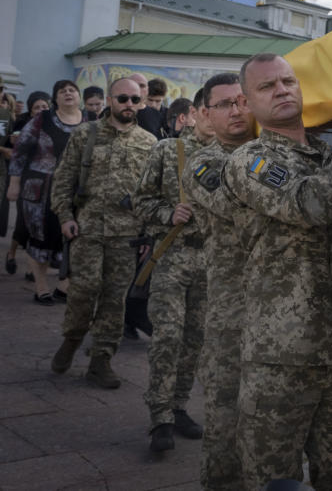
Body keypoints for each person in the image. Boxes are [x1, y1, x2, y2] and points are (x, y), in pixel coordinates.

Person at [219, 53, 332, 491]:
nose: (283, 90)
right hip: (280, 355)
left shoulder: (331, 157)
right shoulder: (248, 161)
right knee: (274, 480)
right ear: (248, 103)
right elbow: (311, 204)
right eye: (268, 87)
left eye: (288, 81)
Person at [48, 77, 158, 388]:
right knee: (83, 291)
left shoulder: (148, 142)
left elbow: (152, 193)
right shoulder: (86, 134)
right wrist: (66, 217)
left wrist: (147, 234)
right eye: (122, 99)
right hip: (88, 230)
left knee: (115, 299)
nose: (129, 105)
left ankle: (101, 360)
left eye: (135, 100)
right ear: (110, 100)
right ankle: (71, 340)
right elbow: (63, 179)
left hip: (127, 236)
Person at [182, 73, 256, 490]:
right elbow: (247, 197)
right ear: (206, 115)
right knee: (226, 421)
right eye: (225, 104)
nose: (237, 110)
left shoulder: (275, 154)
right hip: (231, 312)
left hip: (279, 313)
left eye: (243, 101)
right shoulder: (204, 164)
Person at [133, 92, 209, 451]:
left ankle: (179, 407)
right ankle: (160, 416)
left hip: (213, 265)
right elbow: (140, 200)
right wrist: (168, 214)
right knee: (167, 338)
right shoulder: (168, 151)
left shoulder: (237, 156)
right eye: (215, 108)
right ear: (195, 112)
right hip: (174, 258)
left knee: (195, 341)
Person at [6, 81, 85, 304]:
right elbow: (20, 151)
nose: (68, 93)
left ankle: (63, 286)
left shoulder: (90, 122)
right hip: (40, 189)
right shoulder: (42, 120)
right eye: (63, 91)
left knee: (73, 238)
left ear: (78, 96)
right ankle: (41, 288)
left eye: (72, 90)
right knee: (40, 237)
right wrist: (14, 183)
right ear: (55, 98)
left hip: (76, 190)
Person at [3, 92, 51, 275]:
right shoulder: (18, 122)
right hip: (24, 177)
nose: (41, 110)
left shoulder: (52, 124)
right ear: (30, 110)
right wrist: (9, 143)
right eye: (37, 107)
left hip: (45, 180)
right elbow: (4, 139)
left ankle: (34, 268)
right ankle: (12, 253)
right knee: (23, 223)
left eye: (44, 107)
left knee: (40, 225)